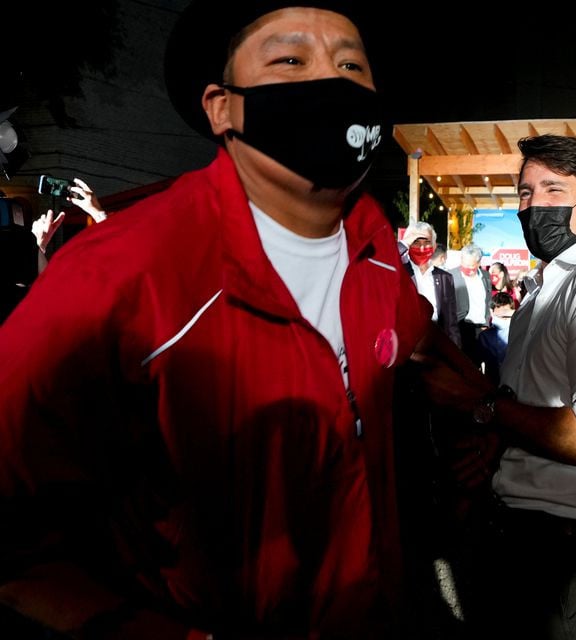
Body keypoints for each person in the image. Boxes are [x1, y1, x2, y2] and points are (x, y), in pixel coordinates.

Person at [0, 2, 438, 638]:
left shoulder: (377, 253)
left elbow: (420, 354)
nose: (333, 81)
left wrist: (482, 423)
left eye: (352, 63)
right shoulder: (120, 276)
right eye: (290, 60)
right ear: (222, 108)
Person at [414, 134, 576, 639]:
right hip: (518, 533)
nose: (535, 206)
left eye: (553, 190)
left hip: (566, 552)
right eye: (526, 194)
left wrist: (479, 406)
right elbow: (525, 405)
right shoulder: (545, 288)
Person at [399, 221, 460, 346]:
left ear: (434, 245)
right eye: (416, 242)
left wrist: (456, 349)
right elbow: (385, 258)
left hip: (435, 344)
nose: (421, 248)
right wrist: (404, 243)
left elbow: (451, 322)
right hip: (405, 345)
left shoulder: (445, 278)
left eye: (426, 242)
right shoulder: (400, 271)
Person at [452, 243, 491, 366]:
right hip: (461, 326)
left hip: (481, 328)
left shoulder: (485, 276)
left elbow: (488, 300)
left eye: (472, 265)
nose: (468, 268)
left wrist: (486, 322)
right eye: (465, 264)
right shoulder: (451, 276)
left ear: (479, 263)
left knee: (477, 364)